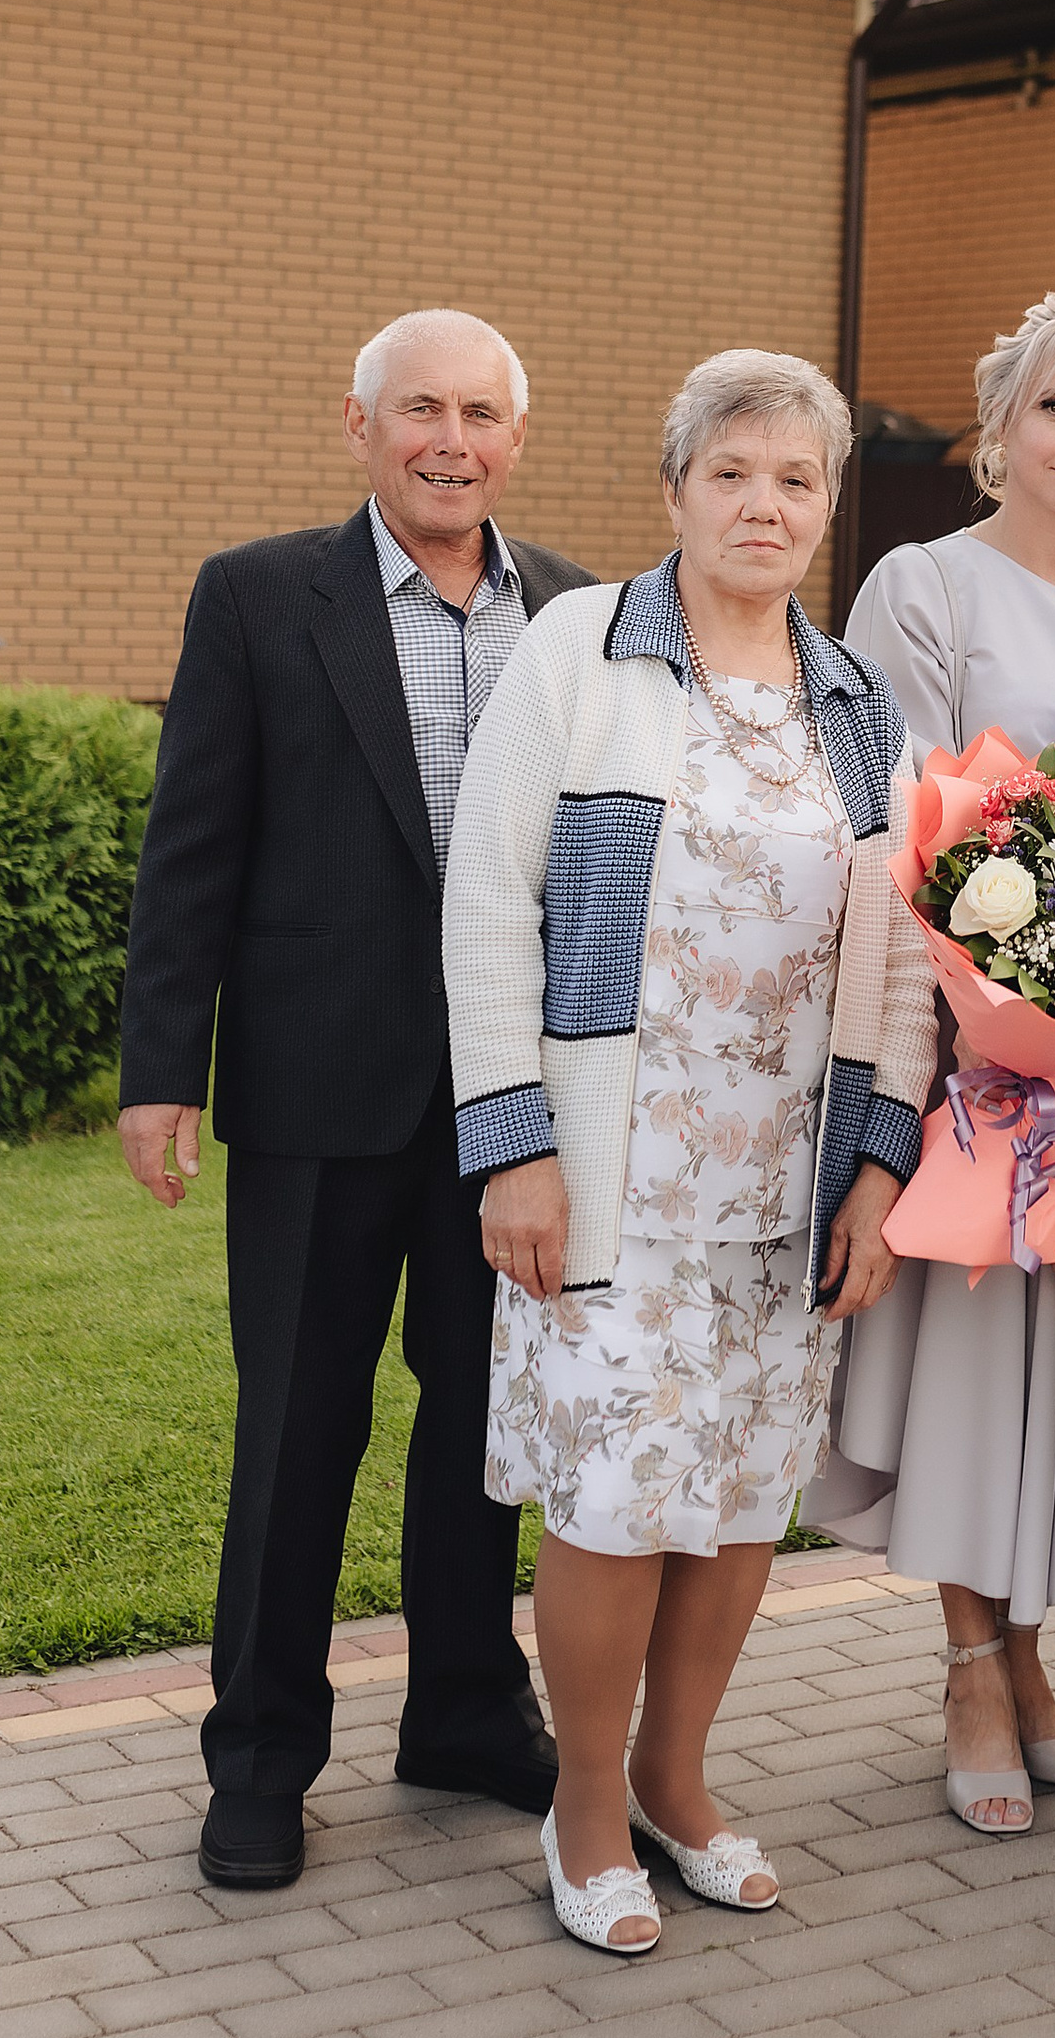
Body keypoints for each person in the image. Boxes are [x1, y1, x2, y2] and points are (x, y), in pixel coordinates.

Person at [445, 350, 933, 1951]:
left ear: (828, 506)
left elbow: (913, 960)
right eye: (733, 471)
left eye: (798, 479)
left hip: (783, 1185)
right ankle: (583, 1805)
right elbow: (486, 907)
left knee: (733, 1500)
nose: (765, 503)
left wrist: (878, 1171)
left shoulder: (857, 701)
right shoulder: (579, 651)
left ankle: (676, 1775)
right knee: (609, 1494)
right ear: (674, 490)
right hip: (613, 1173)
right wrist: (514, 1146)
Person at [117, 309, 597, 1892]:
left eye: (480, 413)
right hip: (321, 1091)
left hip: (514, 1104)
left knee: (482, 1424)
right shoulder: (260, 596)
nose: (451, 438)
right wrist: (157, 1072)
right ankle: (258, 1755)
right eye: (421, 411)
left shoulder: (583, 612)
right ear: (360, 424)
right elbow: (193, 840)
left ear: (516, 438)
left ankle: (464, 1707)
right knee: (299, 1430)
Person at [823, 287, 1055, 1833]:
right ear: (1000, 424)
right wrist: (995, 1017)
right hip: (970, 1048)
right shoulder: (925, 584)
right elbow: (894, 814)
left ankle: (1032, 1661)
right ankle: (974, 1661)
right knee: (976, 1366)